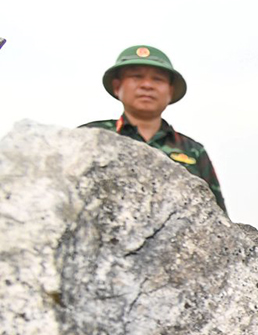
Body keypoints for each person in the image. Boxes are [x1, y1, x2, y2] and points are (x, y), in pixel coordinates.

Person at [81, 45, 227, 212]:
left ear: (170, 91)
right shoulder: (92, 137)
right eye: (136, 77)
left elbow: (218, 218)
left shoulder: (193, 151)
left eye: (157, 79)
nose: (147, 85)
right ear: (117, 86)